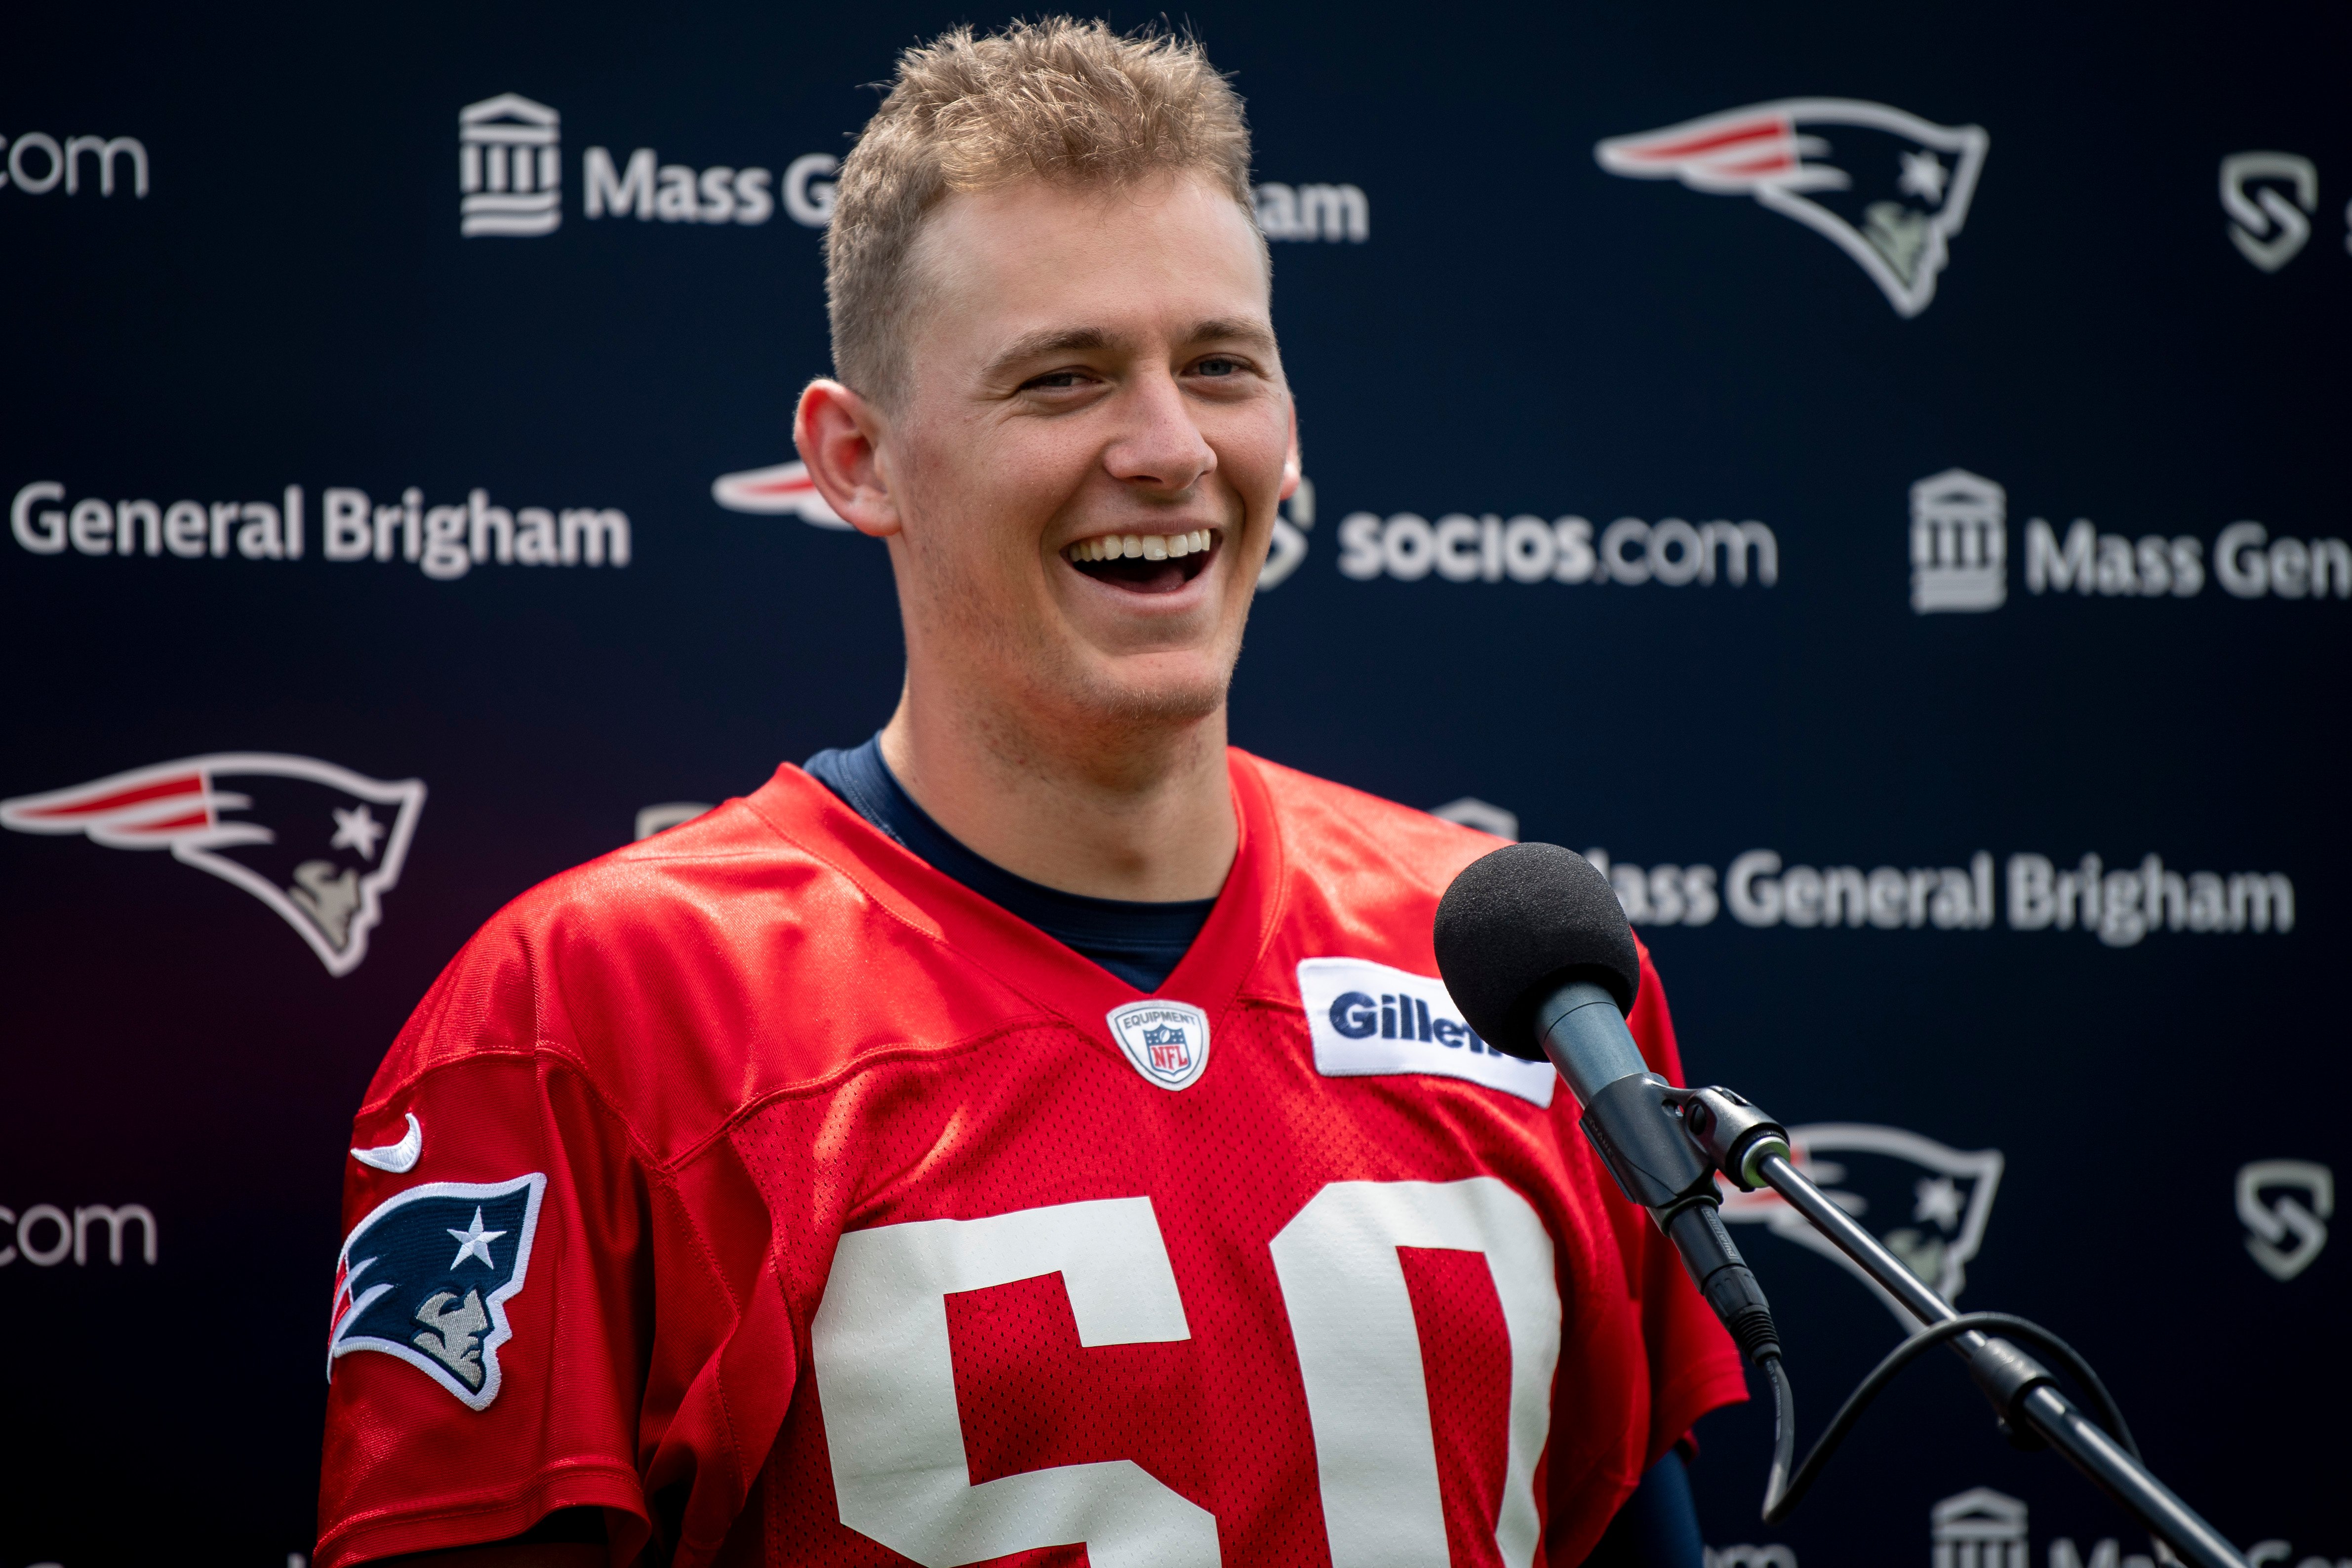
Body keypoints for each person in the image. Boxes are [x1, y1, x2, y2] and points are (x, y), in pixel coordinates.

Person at [317, 19, 1745, 1567]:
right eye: (1061, 380)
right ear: (856, 460)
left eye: (1219, 366)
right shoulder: (594, 1014)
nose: (1166, 446)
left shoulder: (1518, 979)